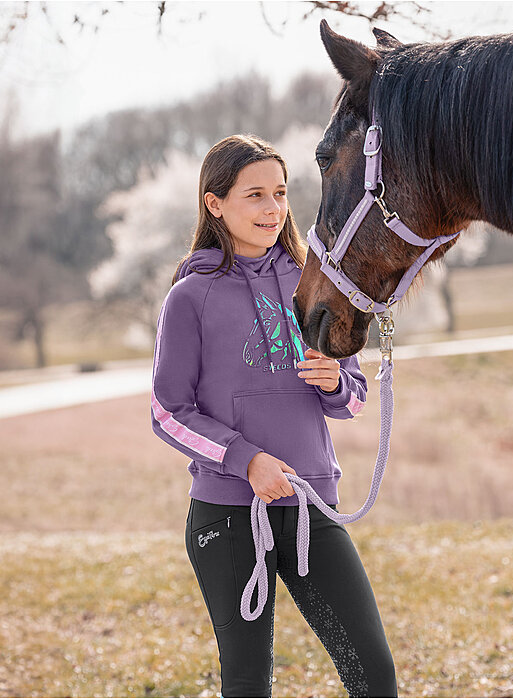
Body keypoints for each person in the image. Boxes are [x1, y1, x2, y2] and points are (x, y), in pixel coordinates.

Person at [150, 134, 397, 698]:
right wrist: (247, 460)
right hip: (230, 516)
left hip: (311, 507)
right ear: (215, 204)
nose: (272, 209)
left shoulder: (314, 281)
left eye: (280, 194)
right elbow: (168, 412)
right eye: (254, 195)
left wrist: (337, 381)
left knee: (373, 674)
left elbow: (355, 398)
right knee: (247, 683)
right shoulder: (191, 297)